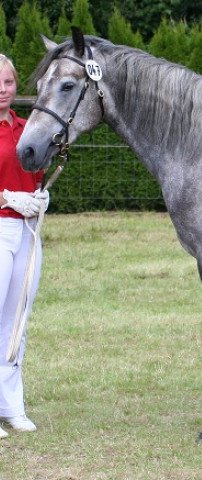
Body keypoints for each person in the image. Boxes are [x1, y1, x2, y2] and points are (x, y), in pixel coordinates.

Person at [0, 53, 49, 439]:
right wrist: (6, 199)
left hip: (28, 232)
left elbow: (36, 175)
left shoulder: (25, 128)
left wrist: (40, 196)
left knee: (17, 323)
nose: (3, 90)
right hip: (0, 228)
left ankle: (12, 407)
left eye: (9, 82)